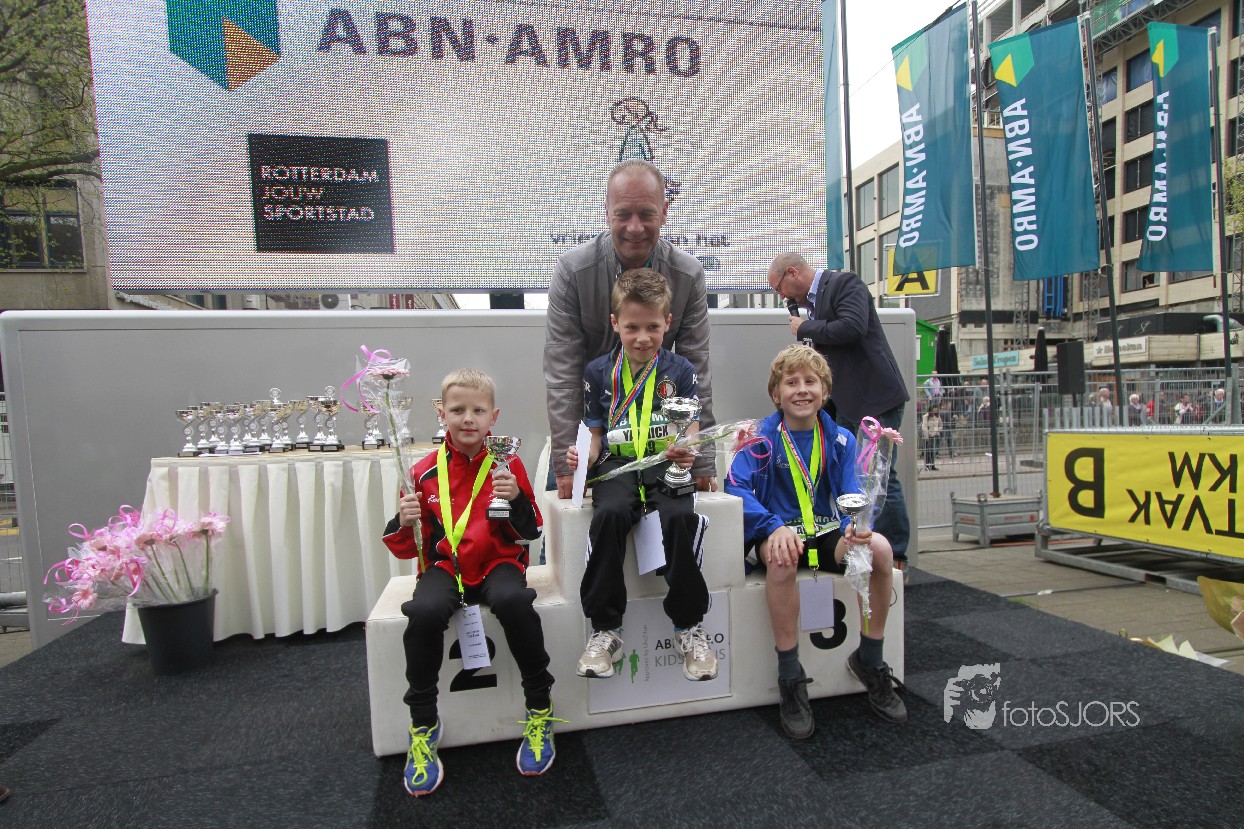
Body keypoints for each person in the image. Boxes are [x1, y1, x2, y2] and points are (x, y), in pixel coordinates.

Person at [383, 369, 557, 796]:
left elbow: (531, 530)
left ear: (493, 417)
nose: (467, 419)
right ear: (441, 413)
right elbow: (408, 547)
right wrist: (402, 521)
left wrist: (516, 499)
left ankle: (540, 706)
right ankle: (423, 723)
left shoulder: (507, 465)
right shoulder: (422, 471)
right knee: (424, 611)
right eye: (457, 409)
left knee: (514, 601)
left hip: (499, 562)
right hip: (446, 567)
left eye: (478, 410)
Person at [725, 345, 905, 738]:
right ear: (776, 394)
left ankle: (870, 658)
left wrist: (855, 526)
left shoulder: (840, 438)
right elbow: (735, 487)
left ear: (825, 392)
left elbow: (851, 491)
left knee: (880, 550)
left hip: (825, 534)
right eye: (791, 382)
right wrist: (772, 526)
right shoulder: (760, 438)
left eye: (811, 381)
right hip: (778, 535)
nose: (802, 389)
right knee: (783, 558)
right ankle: (790, 674)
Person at [565, 268, 717, 683]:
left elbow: (691, 426)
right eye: (632, 327)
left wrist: (688, 451)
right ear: (615, 323)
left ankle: (689, 627)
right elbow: (595, 432)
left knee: (680, 518)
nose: (643, 337)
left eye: (653, 327)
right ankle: (605, 630)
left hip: (665, 463)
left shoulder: (680, 369)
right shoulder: (598, 371)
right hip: (616, 466)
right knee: (609, 515)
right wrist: (583, 456)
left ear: (668, 322)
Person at [545, 158, 715, 498]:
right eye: (623, 214)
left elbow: (697, 371)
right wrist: (566, 466)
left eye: (646, 214)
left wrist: (702, 460)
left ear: (664, 212)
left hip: (659, 439)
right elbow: (563, 376)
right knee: (569, 527)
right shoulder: (573, 272)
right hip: (594, 437)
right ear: (606, 212)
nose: (634, 228)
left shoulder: (688, 274)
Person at [768, 253, 911, 570]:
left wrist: (807, 326)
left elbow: (853, 327)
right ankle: (863, 544)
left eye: (779, 287)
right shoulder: (811, 304)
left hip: (874, 399)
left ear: (792, 272)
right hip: (845, 404)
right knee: (854, 477)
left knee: (878, 476)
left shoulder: (845, 284)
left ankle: (896, 555)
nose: (782, 296)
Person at [921, 403, 943, 470]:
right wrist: (927, 436)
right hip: (927, 436)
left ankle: (932, 465)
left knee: (933, 451)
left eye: (936, 410)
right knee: (927, 451)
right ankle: (927, 466)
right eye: (934, 410)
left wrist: (936, 430)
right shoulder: (926, 416)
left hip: (934, 436)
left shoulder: (938, 417)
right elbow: (924, 427)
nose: (935, 411)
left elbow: (941, 426)